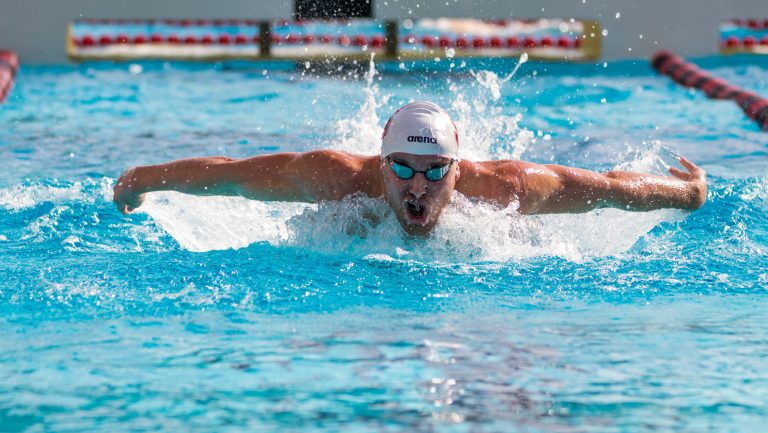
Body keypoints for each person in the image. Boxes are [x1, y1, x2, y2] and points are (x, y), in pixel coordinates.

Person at [113, 101, 706, 236]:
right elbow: (231, 173)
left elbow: (604, 190)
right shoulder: (337, 177)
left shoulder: (503, 188)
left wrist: (686, 196)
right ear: (380, 159)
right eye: (401, 168)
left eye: (434, 170)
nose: (417, 186)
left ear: (456, 167)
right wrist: (144, 178)